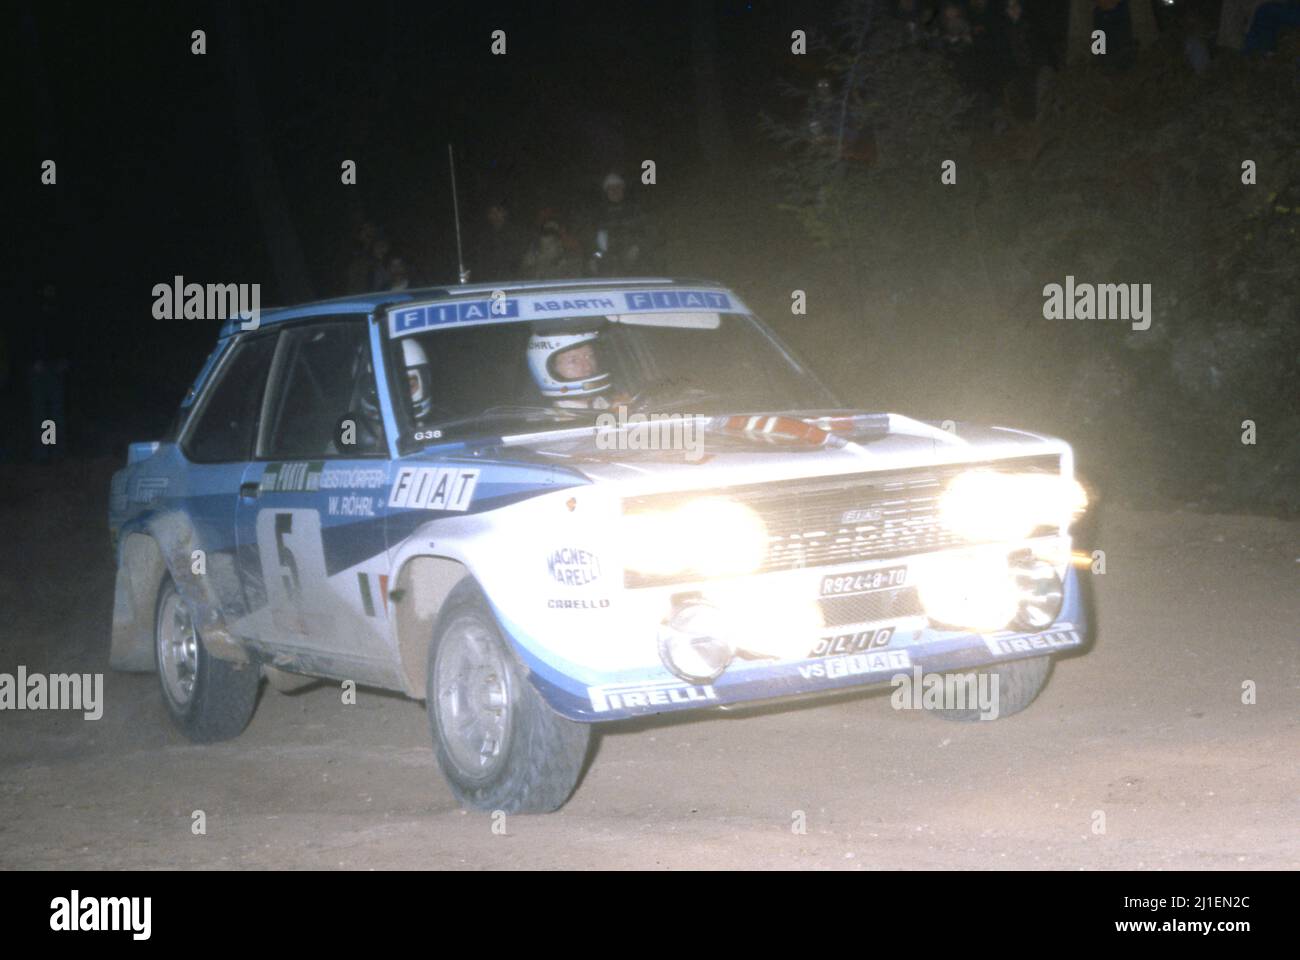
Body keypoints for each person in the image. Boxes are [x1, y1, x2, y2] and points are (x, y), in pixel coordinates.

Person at [527, 331, 615, 410]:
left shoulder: (616, 403)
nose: (587, 367)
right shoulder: (547, 424)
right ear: (553, 369)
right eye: (573, 361)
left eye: (590, 356)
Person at [474, 201, 528, 282]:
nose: (495, 215)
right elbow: (481, 263)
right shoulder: (484, 236)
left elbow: (520, 259)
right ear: (488, 216)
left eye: (498, 211)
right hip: (489, 282)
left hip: (513, 281)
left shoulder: (516, 233)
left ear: (505, 213)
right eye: (492, 212)